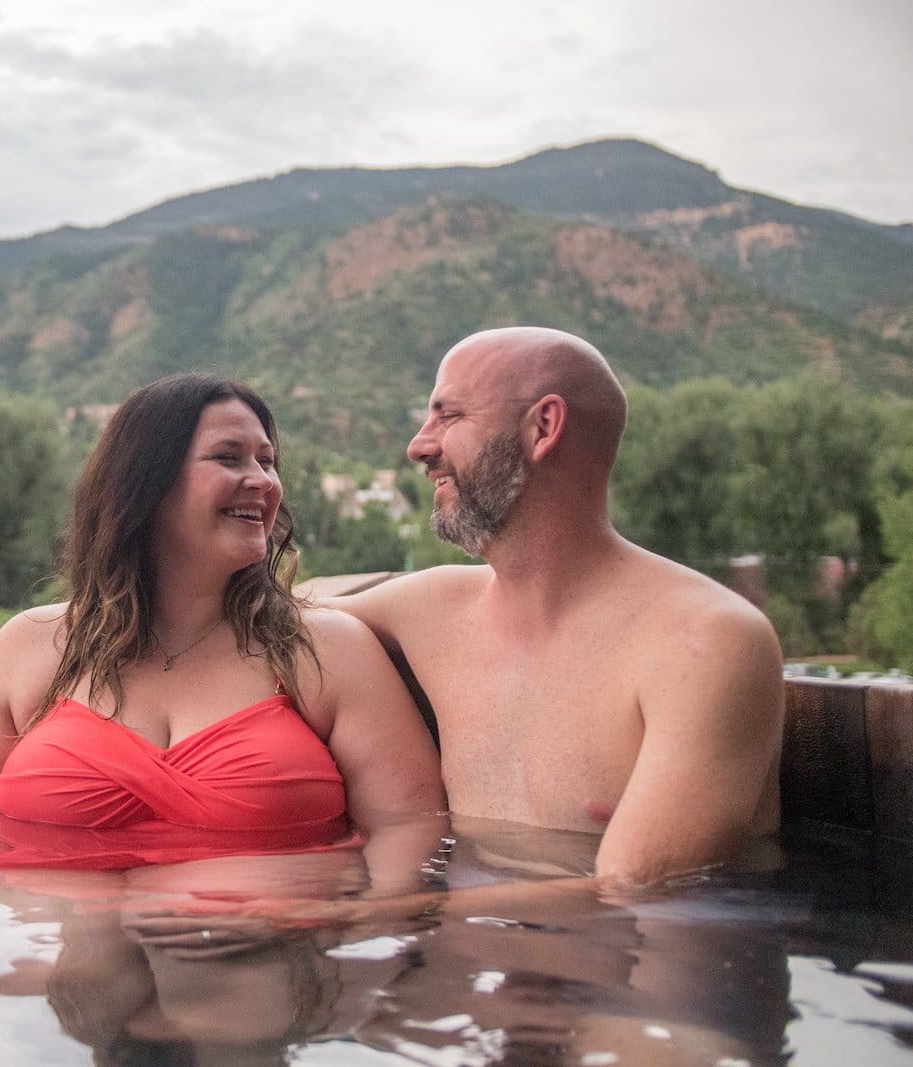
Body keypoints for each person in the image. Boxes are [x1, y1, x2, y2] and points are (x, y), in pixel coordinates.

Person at [0, 372, 444, 885]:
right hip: (59, 954)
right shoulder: (30, 646)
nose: (263, 481)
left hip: (265, 952)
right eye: (228, 457)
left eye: (267, 461)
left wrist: (346, 927)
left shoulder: (329, 650)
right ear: (145, 483)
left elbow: (411, 843)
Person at [325, 326, 783, 890]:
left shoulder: (706, 640)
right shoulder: (431, 609)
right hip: (471, 959)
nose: (419, 446)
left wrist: (357, 914)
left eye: (448, 416)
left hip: (637, 969)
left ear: (543, 427)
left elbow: (633, 892)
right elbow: (258, 614)